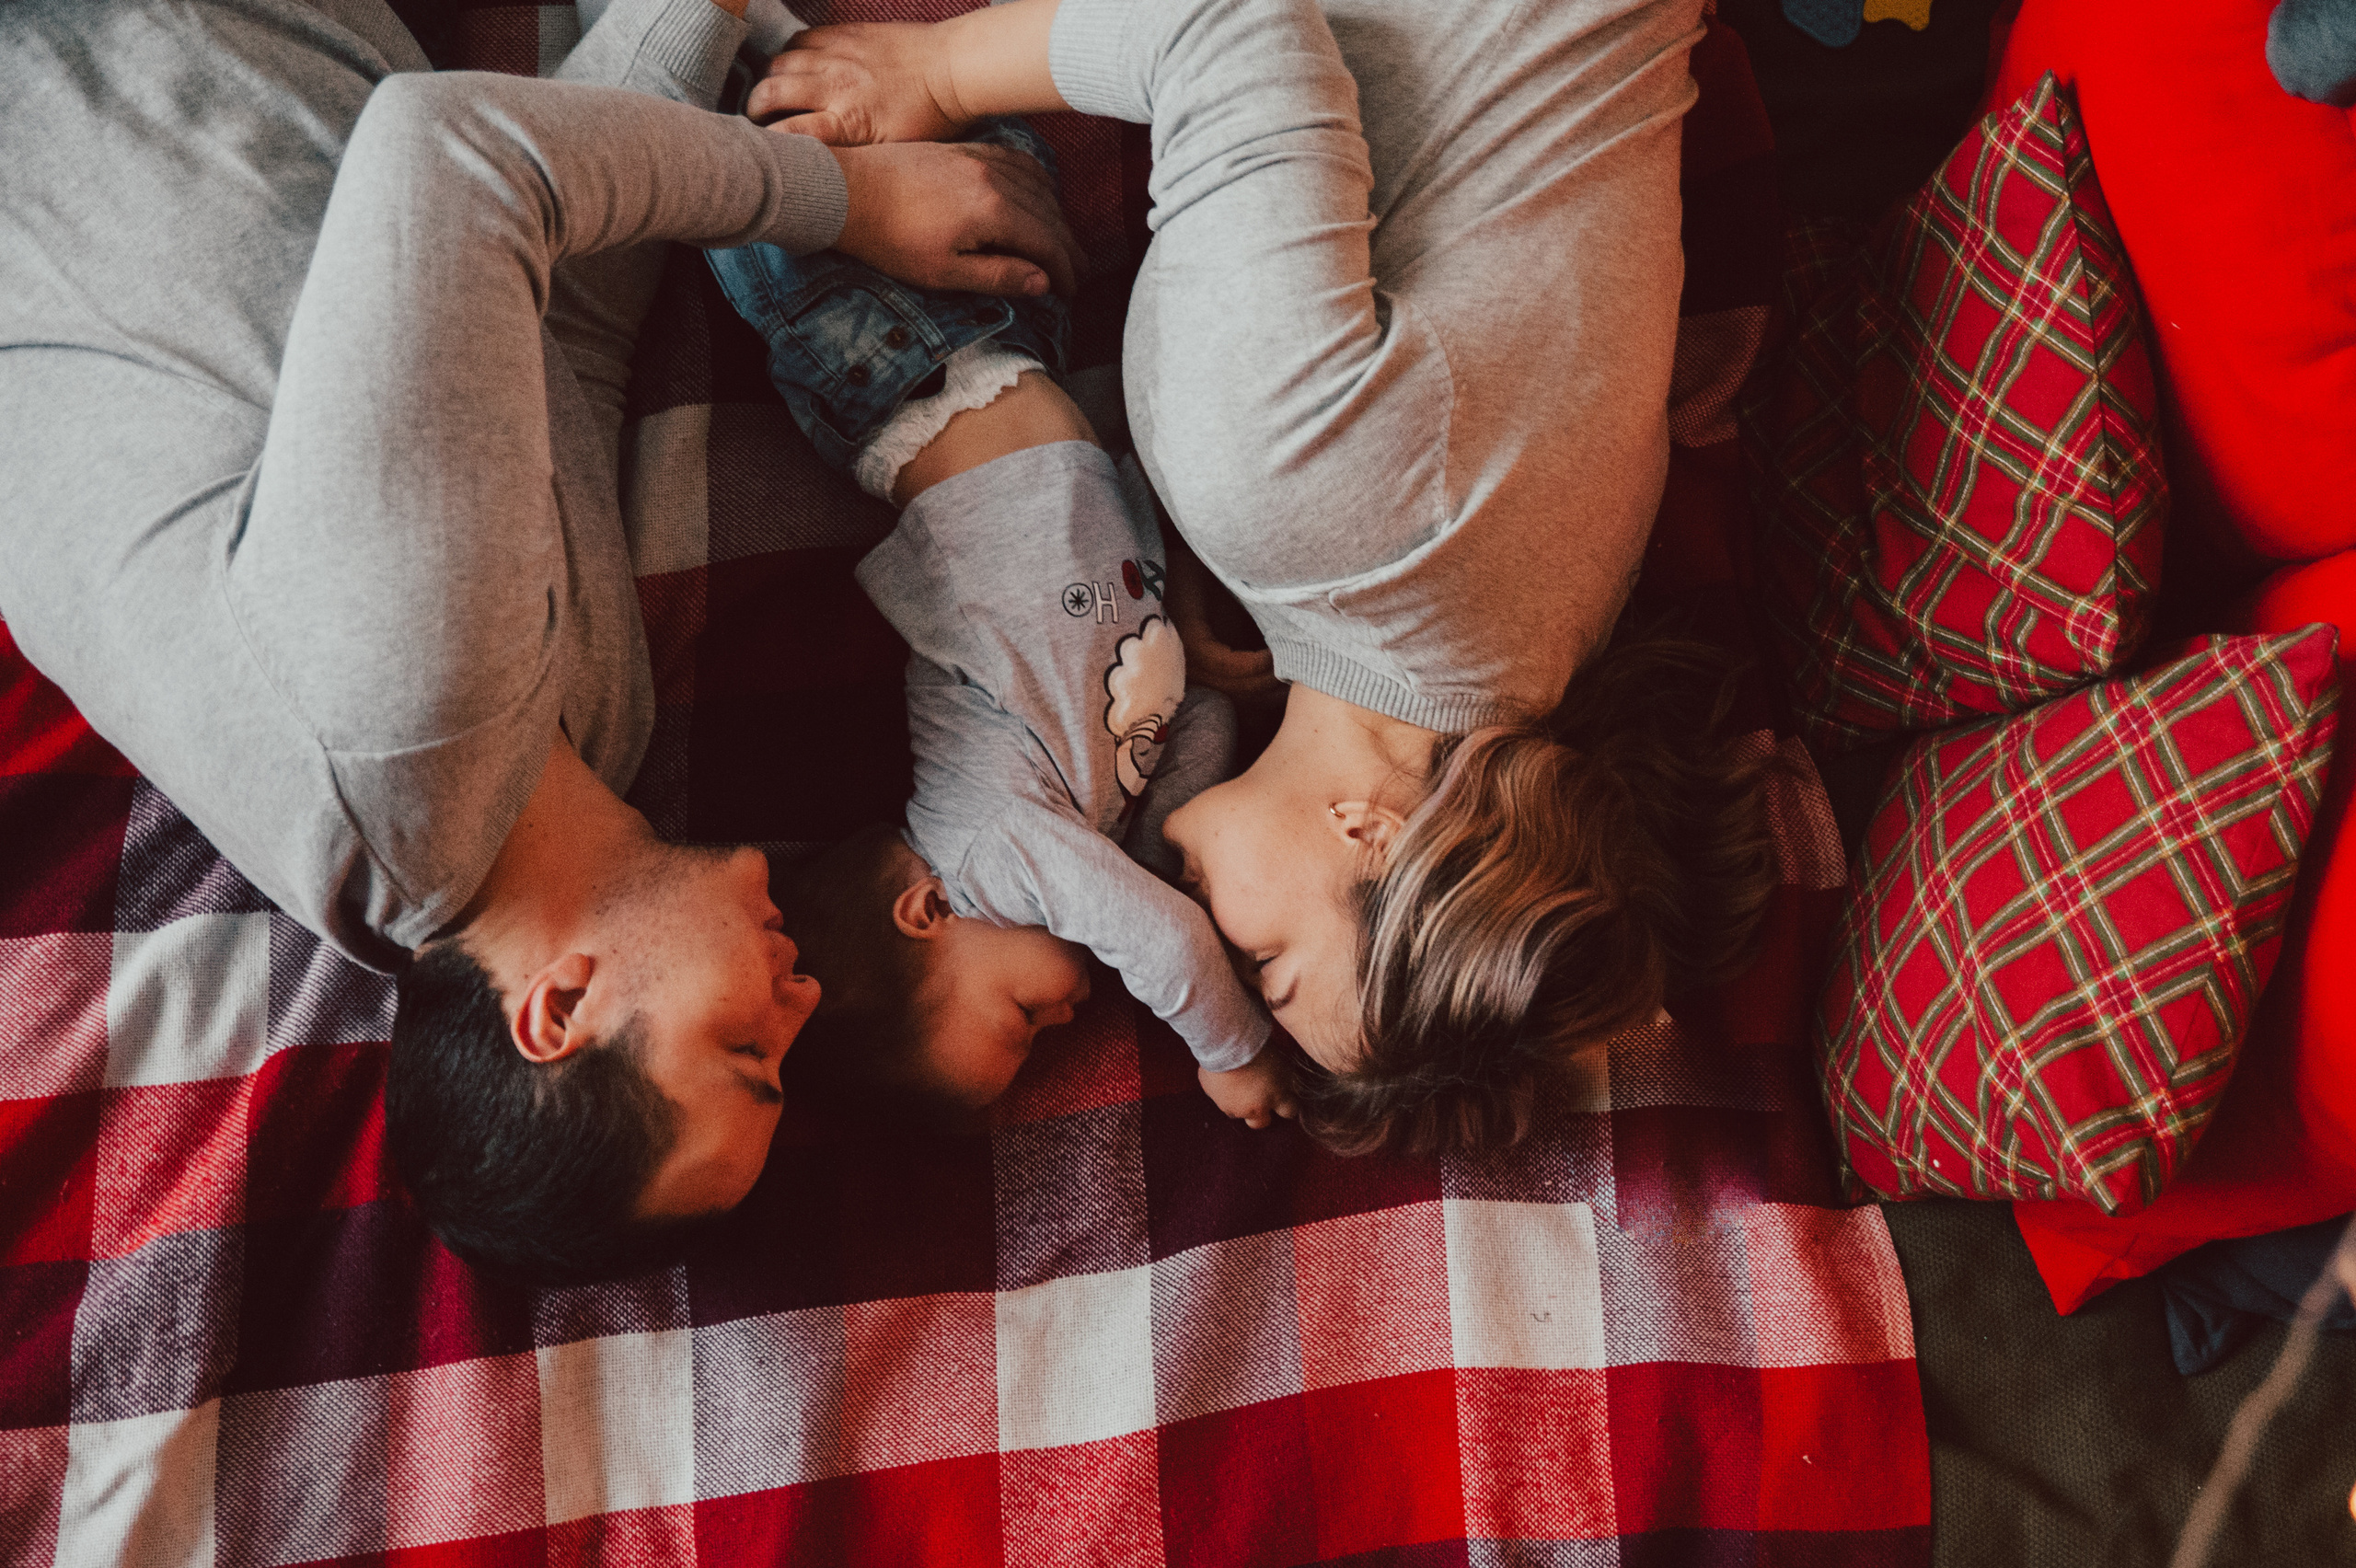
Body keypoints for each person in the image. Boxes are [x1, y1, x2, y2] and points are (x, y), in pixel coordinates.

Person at [0, 0, 1080, 1280]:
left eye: (744, 1052)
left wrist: (839, 200)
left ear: (558, 1007)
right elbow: (554, 339)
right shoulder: (579, 758)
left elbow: (454, 156)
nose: (802, 1005)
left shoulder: (406, 721)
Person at [748, 0, 1780, 1152]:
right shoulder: (1282, 496)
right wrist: (933, 73)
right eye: (1270, 964)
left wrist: (1214, 558)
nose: (1214, 941)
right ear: (1370, 836)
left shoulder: (1538, 647)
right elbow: (1222, 33)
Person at [708, 150, 1284, 1122]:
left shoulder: (985, 853)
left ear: (926, 916)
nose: (1065, 1018)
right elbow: (1200, 723)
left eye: (1018, 1018)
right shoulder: (1082, 823)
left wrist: (1231, 1051)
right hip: (1014, 350)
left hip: (899, 360)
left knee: (742, 171)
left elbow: (1164, 947)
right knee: (933, 137)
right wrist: (1159, 845)